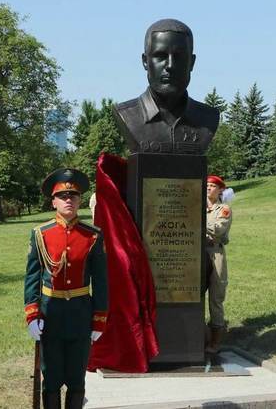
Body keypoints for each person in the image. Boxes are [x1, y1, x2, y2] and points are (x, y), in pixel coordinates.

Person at [24, 168, 108, 409]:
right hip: (51, 314)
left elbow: (101, 281)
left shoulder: (92, 236)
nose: (68, 200)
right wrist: (32, 314)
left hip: (81, 314)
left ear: (80, 200)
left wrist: (99, 319)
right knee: (50, 379)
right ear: (54, 202)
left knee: (76, 379)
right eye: (63, 196)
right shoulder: (41, 234)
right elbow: (32, 277)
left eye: (73, 196)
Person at [113, 18, 219, 155]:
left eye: (179, 57)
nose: (170, 65)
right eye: (160, 56)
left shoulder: (208, 118)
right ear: (145, 61)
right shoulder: (127, 115)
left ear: (191, 63)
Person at [205, 175, 233, 354]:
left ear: (220, 189)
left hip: (215, 253)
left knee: (216, 297)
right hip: (197, 251)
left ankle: (215, 342)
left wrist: (197, 218)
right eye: (207, 185)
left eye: (213, 186)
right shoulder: (196, 206)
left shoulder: (224, 209)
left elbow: (217, 229)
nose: (209, 188)